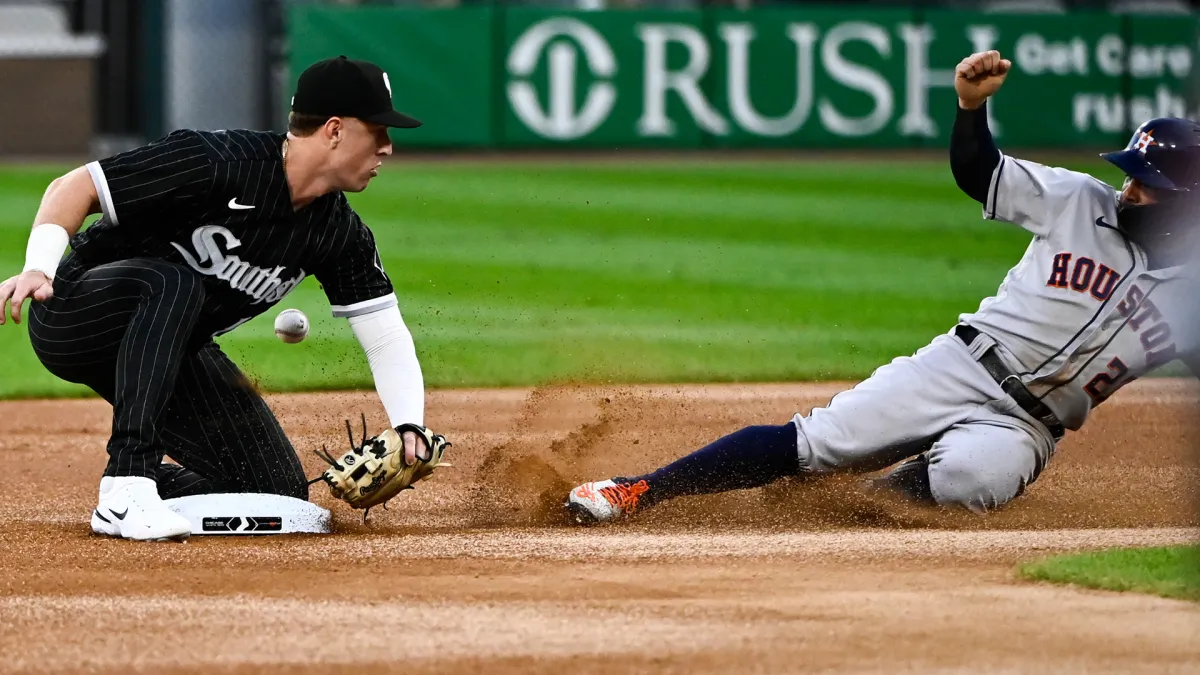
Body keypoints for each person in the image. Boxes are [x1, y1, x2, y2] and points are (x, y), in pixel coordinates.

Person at [565, 50, 1200, 524]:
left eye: (1147, 183)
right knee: (818, 443)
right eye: (1130, 173)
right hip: (964, 365)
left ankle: (867, 502)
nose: (1129, 188)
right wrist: (971, 108)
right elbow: (980, 172)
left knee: (969, 481)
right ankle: (639, 489)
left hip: (1027, 429)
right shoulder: (1076, 200)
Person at [0, 56, 433, 541]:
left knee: (274, 491)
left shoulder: (337, 233)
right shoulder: (217, 162)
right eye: (378, 131)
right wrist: (39, 266)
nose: (388, 148)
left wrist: (409, 427)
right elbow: (76, 186)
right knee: (175, 283)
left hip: (168, 347)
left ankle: (155, 490)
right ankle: (126, 485)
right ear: (334, 130)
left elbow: (385, 337)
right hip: (75, 311)